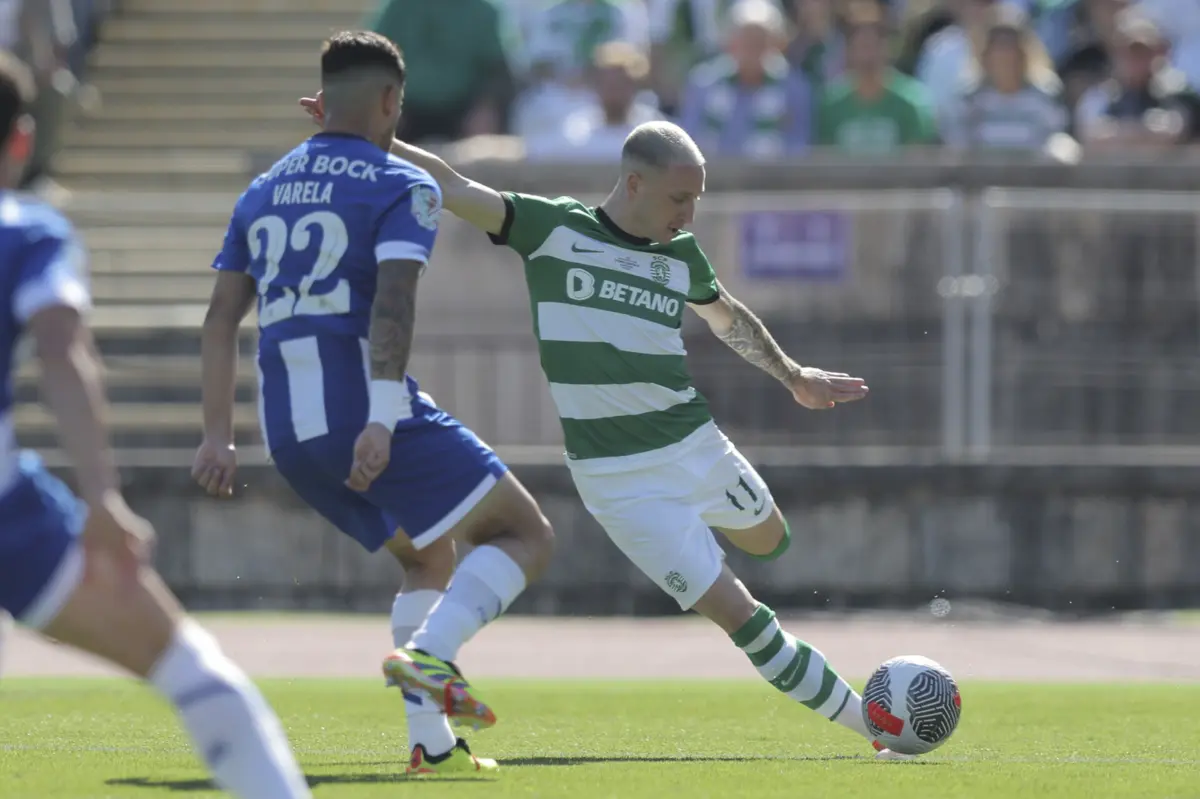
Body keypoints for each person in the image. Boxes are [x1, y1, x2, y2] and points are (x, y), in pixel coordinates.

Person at [300, 101, 915, 763]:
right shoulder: (551, 228)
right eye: (681, 198)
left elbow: (726, 315)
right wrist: (368, 136)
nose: (689, 215)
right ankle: (875, 727)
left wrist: (793, 375)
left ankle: (724, 544)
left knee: (770, 539)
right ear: (634, 184)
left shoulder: (680, 254)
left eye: (697, 200)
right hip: (622, 482)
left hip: (696, 443)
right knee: (741, 614)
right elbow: (451, 184)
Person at [194, 31, 555, 776]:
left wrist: (216, 437)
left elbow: (220, 317)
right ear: (392, 100)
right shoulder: (400, 184)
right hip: (362, 410)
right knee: (525, 532)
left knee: (427, 554)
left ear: (321, 101)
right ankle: (429, 654)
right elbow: (392, 305)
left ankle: (432, 745)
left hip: (287, 432)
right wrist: (384, 418)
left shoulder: (260, 190)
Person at [0, 52, 312, 799]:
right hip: (6, 512)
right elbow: (63, 348)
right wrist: (103, 496)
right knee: (194, 672)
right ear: (20, 140)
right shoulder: (26, 232)